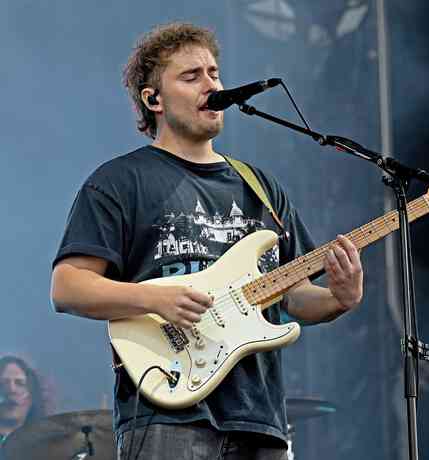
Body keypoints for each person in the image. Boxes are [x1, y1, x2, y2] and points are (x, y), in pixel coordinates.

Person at [50, 22, 364, 460]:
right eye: (191, 75)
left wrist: (340, 298)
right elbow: (68, 287)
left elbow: (294, 297)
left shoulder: (260, 188)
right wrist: (155, 300)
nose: (212, 85)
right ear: (153, 99)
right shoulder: (119, 181)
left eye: (214, 73)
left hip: (261, 416)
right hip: (168, 411)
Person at [0, 356, 49, 447]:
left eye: (20, 383)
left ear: (32, 396)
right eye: (2, 383)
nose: (11, 390)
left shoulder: (45, 444)